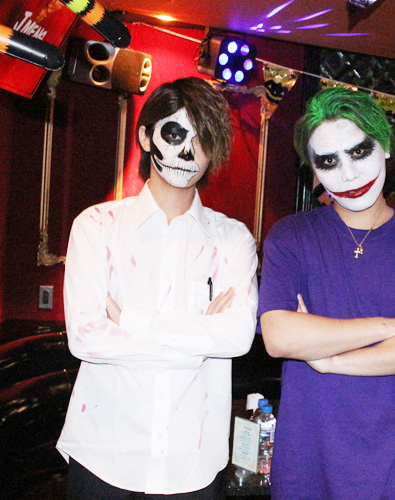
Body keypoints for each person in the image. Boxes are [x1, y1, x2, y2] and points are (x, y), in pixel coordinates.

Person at [257, 87, 395, 499]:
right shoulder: (291, 236)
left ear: (384, 145)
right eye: (329, 161)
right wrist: (393, 326)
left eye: (359, 152)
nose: (349, 174)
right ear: (314, 171)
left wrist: (329, 360)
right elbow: (281, 338)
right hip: (308, 466)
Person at [57, 77, 258, 499]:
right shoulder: (96, 227)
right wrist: (196, 345)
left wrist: (129, 319)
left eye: (203, 140)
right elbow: (86, 337)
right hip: (103, 455)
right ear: (146, 137)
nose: (188, 153)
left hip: (193, 465)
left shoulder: (232, 240)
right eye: (176, 134)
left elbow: (237, 337)